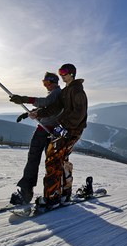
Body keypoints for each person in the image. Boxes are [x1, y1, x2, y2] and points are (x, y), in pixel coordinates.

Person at [32, 63, 88, 209]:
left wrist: (64, 127)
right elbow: (55, 108)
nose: (61, 74)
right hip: (66, 129)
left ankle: (52, 197)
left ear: (72, 74)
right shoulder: (65, 91)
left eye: (64, 72)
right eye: (60, 72)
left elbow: (79, 113)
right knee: (61, 160)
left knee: (52, 158)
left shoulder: (77, 90)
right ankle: (65, 194)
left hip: (72, 130)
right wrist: (38, 113)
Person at [9, 72, 62, 205]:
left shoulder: (56, 93)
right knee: (44, 160)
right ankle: (47, 190)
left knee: (36, 159)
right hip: (47, 130)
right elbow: (45, 106)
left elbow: (46, 102)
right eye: (44, 83)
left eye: (47, 83)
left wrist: (24, 99)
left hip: (47, 131)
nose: (45, 86)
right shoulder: (53, 94)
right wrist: (27, 114)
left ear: (53, 82)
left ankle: (31, 192)